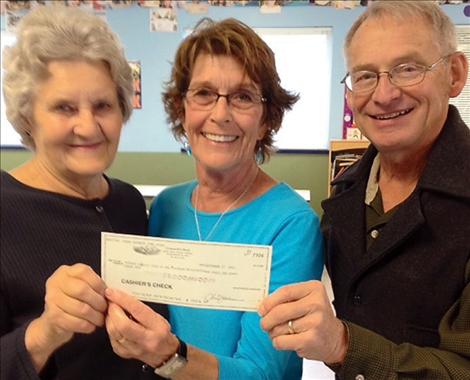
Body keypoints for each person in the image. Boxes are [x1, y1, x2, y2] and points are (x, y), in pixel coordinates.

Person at [104, 18, 324, 380]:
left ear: (267, 119)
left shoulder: (291, 224)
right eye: (204, 93)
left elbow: (263, 373)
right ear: (182, 109)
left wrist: (170, 357)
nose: (220, 115)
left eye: (242, 97)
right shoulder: (166, 207)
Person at [259, 1, 470, 379]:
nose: (384, 94)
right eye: (365, 75)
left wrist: (344, 345)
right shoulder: (346, 193)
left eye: (408, 69)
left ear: (454, 74)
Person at [0, 5, 168, 380]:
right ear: (27, 116)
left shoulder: (127, 202)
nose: (88, 126)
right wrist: (45, 333)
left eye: (103, 105)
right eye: (64, 107)